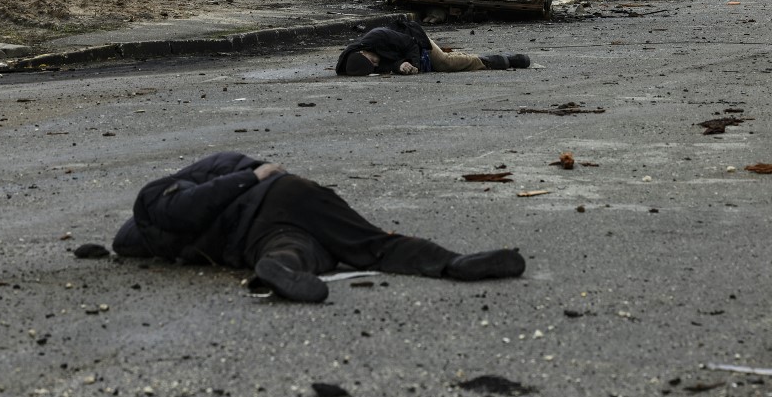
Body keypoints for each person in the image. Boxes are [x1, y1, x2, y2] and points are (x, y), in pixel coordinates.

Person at [108, 152, 525, 303]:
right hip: (285, 197)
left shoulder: (148, 240)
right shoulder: (157, 196)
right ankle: (453, 263)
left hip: (249, 238)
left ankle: (282, 268)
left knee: (295, 252)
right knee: (369, 244)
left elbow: (125, 243)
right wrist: (255, 174)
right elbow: (190, 202)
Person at [335, 18, 530, 76]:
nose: (376, 63)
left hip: (415, 39)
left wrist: (414, 65)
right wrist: (398, 67)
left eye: (372, 60)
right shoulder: (357, 63)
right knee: (446, 63)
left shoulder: (379, 36)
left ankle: (493, 61)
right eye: (373, 66)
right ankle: (481, 58)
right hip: (404, 55)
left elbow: (410, 44)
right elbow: (385, 65)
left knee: (445, 63)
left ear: (364, 51)